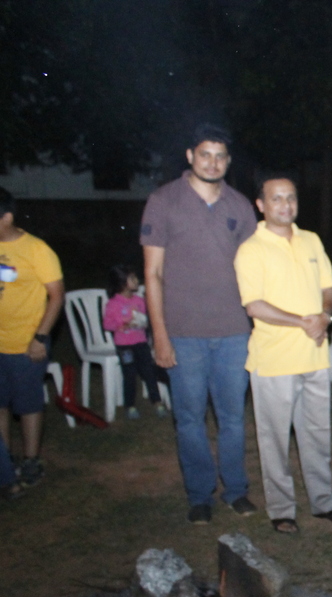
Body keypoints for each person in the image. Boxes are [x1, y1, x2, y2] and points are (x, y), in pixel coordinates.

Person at [141, 123, 258, 525]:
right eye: (205, 154)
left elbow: (255, 269)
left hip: (234, 331)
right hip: (183, 332)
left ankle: (236, 490)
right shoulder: (163, 201)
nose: (213, 163)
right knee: (190, 419)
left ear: (228, 161)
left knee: (232, 417)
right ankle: (199, 494)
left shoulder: (240, 206)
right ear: (190, 156)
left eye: (220, 156)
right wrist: (160, 334)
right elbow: (152, 273)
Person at [234, 175, 332, 535]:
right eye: (276, 198)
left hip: (314, 357)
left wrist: (325, 316)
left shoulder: (311, 240)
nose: (285, 205)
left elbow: (328, 288)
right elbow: (254, 305)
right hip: (274, 362)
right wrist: (303, 322)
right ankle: (281, 509)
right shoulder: (251, 249)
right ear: (261, 205)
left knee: (317, 435)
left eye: (291, 198)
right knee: (274, 440)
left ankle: (323, 502)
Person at [0, 187, 64, 489]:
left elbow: (57, 296)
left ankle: (31, 460)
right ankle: (5, 460)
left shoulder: (37, 250)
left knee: (27, 404)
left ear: (7, 217)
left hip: (27, 343)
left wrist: (40, 337)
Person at [103, 265, 167, 420]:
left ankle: (157, 402)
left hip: (141, 342)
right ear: (122, 283)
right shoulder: (113, 304)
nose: (136, 280)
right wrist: (122, 325)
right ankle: (130, 406)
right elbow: (107, 324)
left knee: (149, 372)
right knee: (129, 374)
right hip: (125, 346)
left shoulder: (139, 301)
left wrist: (143, 323)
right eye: (132, 278)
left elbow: (146, 318)